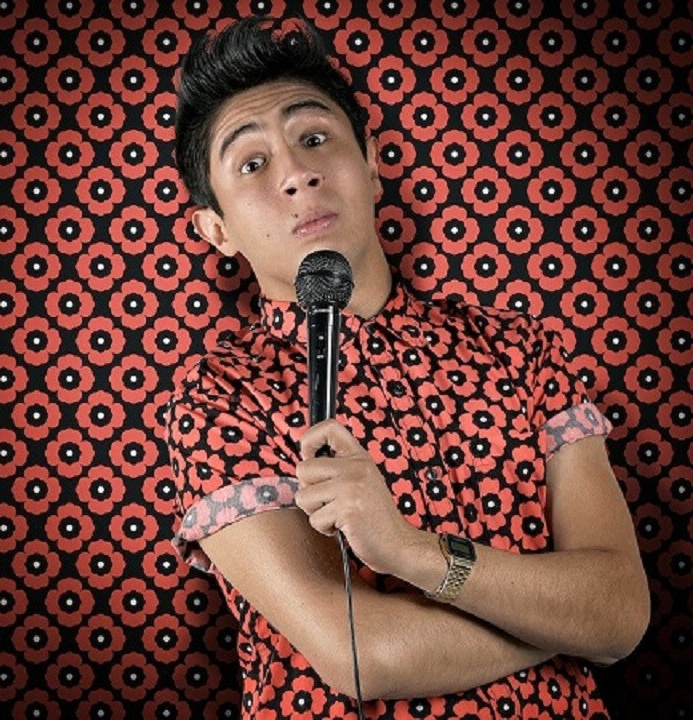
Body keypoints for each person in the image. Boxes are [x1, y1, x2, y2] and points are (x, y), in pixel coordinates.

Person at [164, 16, 649, 718]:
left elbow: (621, 611)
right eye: (252, 163)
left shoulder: (518, 348)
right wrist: (563, 621)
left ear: (371, 164)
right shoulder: (219, 395)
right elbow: (365, 656)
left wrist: (410, 552)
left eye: (314, 138)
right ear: (216, 230)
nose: (297, 174)